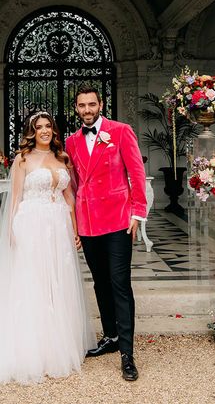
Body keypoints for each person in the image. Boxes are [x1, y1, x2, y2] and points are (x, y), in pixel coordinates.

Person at [0, 112, 96, 384]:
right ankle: (33, 349)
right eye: (38, 127)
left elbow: (70, 198)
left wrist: (76, 230)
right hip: (30, 224)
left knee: (58, 283)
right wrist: (11, 232)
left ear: (54, 130)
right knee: (34, 281)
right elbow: (16, 197)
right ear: (32, 132)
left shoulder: (63, 158)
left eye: (47, 126)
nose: (43, 131)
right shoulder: (23, 159)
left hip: (58, 227)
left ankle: (58, 345)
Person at [65, 85, 147, 381]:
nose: (87, 109)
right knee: (100, 282)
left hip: (118, 221)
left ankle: (127, 354)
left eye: (91, 104)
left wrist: (137, 212)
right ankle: (111, 337)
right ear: (76, 108)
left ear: (101, 104)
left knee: (119, 283)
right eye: (82, 105)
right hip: (88, 224)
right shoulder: (71, 142)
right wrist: (71, 223)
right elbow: (72, 184)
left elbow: (136, 173)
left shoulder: (121, 131)